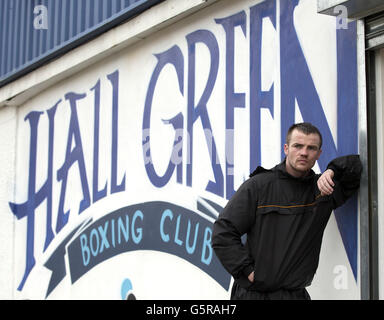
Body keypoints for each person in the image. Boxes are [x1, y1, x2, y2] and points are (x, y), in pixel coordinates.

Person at [212, 122, 362, 300]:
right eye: (298, 146)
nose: (304, 152)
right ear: (286, 148)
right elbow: (223, 231)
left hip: (295, 295)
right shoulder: (259, 186)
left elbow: (358, 166)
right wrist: (247, 270)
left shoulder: (324, 190)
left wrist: (332, 170)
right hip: (255, 295)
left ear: (319, 154)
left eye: (311, 148)